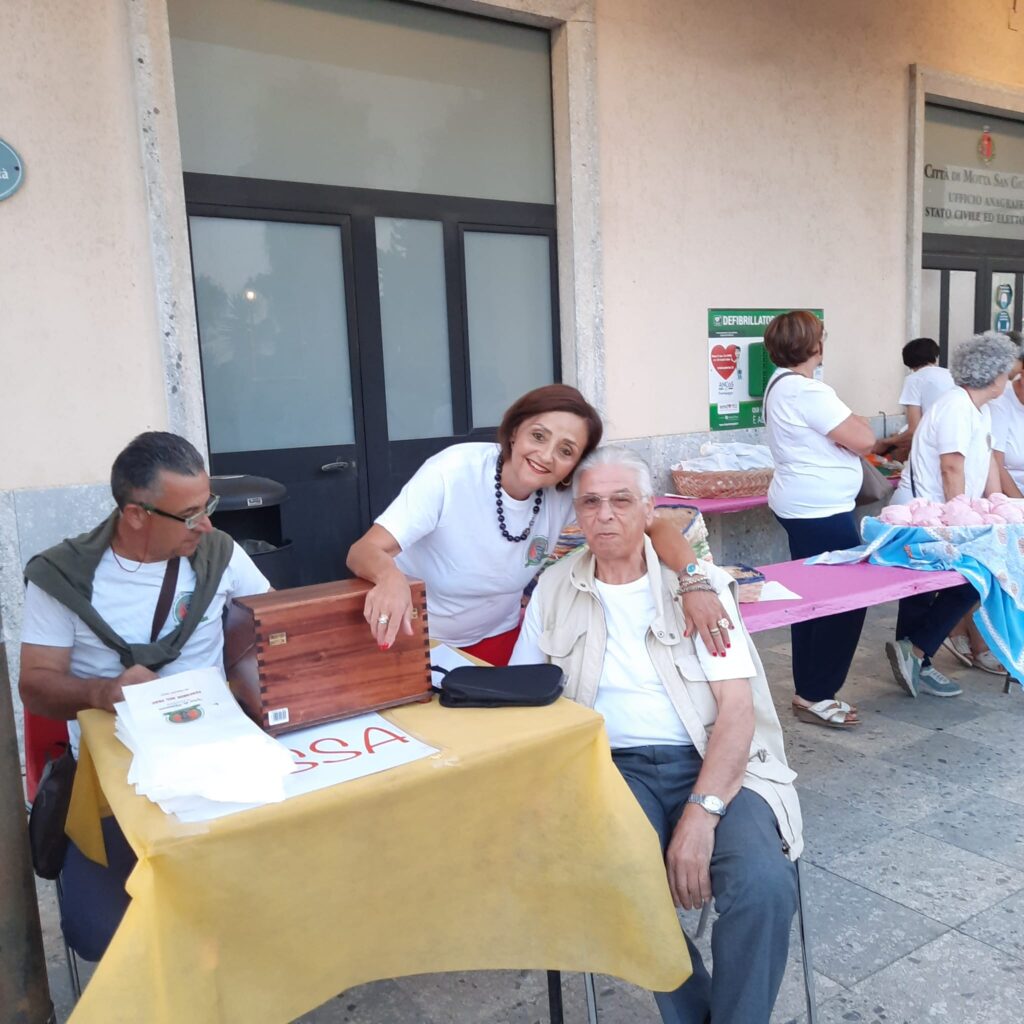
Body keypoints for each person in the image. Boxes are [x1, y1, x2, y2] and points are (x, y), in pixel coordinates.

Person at [510, 446, 801, 1024]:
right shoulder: (553, 589)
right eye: (591, 503)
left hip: (716, 760)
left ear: (649, 510)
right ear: (577, 514)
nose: (605, 515)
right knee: (623, 880)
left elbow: (736, 712)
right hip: (611, 767)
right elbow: (525, 696)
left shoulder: (698, 587)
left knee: (764, 884)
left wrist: (701, 813)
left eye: (622, 501)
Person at [19, 431, 271, 959]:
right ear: (136, 514)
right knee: (102, 936)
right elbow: (36, 686)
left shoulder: (219, 555)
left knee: (265, 901)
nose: (207, 525)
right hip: (112, 777)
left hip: (219, 757)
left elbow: (273, 625)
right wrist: (102, 691)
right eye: (191, 515)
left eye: (208, 507)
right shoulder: (63, 576)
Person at [347, 384, 732, 666]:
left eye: (566, 450)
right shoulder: (452, 472)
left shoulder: (563, 494)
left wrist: (694, 582)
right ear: (514, 431)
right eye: (538, 436)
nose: (546, 456)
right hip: (415, 641)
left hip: (500, 641)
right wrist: (390, 577)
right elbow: (363, 551)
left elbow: (656, 525)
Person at [761, 311, 877, 728]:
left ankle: (809, 688)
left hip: (802, 504)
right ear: (815, 346)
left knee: (813, 597)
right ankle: (815, 692)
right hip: (820, 510)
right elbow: (865, 438)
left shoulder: (780, 384)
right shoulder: (809, 391)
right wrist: (853, 427)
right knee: (846, 600)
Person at [886, 332, 1018, 693]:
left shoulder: (979, 410)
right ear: (993, 375)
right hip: (927, 513)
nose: (1008, 380)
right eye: (1007, 373)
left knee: (939, 588)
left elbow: (987, 465)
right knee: (967, 581)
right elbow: (951, 468)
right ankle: (916, 654)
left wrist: (998, 506)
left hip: (943, 513)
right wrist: (961, 520)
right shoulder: (957, 406)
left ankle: (916, 657)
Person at [873, 337, 955, 461]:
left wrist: (885, 443)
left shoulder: (914, 379)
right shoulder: (951, 374)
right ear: (935, 356)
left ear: (908, 361)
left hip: (935, 447)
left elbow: (914, 430)